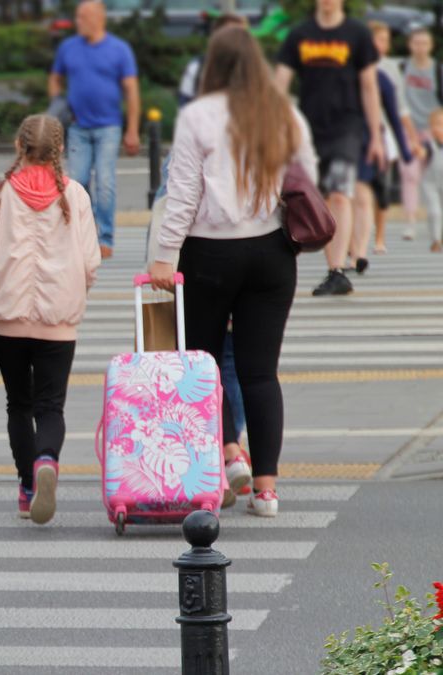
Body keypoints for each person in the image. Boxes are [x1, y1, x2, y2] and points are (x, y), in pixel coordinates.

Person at [149, 27, 318, 518]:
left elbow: (181, 196)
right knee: (261, 373)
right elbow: (305, 176)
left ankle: (224, 457)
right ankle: (266, 488)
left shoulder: (197, 116)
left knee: (203, 366)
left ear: (214, 65)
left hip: (209, 255)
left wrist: (165, 255)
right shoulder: (282, 113)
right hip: (271, 252)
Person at [0, 114, 99, 525]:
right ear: (60, 151)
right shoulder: (75, 196)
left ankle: (28, 486)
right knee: (50, 406)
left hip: (6, 320)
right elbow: (91, 262)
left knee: (18, 404)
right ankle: (47, 460)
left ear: (18, 146)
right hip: (58, 322)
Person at [275, 0, 383, 297]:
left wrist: (375, 135)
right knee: (317, 196)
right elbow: (281, 80)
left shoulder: (357, 34)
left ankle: (337, 271)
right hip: (309, 129)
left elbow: (369, 86)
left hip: (347, 125)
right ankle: (330, 267)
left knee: (339, 192)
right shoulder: (301, 34)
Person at [49, 0, 140, 259]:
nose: (78, 22)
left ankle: (106, 236)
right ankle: (83, 234)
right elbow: (55, 77)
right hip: (77, 127)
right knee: (77, 182)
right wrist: (59, 106)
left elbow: (131, 90)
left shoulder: (119, 49)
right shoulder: (68, 47)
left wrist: (132, 129)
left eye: (83, 17)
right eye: (77, 17)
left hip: (109, 127)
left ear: (99, 18)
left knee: (105, 183)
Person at [349, 24, 413, 270]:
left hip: (374, 142)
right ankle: (351, 244)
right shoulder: (344, 72)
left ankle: (360, 251)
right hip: (344, 141)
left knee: (366, 194)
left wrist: (405, 150)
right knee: (346, 197)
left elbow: (396, 115)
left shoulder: (384, 76)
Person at [370, 21, 417, 254]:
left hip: (383, 134)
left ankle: (379, 237)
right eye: (380, 39)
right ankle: (352, 241)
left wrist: (412, 139)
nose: (384, 45)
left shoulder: (389, 67)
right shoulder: (352, 64)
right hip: (357, 133)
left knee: (382, 187)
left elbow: (400, 108)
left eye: (387, 40)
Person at [398, 27, 442, 244]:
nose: (421, 47)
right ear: (410, 45)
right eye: (417, 43)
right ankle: (410, 221)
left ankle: (436, 221)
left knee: (436, 178)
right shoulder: (402, 68)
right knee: (410, 175)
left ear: (431, 45)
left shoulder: (438, 70)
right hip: (408, 129)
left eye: (425, 43)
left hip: (434, 130)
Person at [418, 108, 443, 249]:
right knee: (434, 211)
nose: (438, 128)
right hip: (430, 183)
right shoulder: (430, 145)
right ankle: (435, 239)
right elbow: (423, 153)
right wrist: (419, 152)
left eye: (441, 124)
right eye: (435, 125)